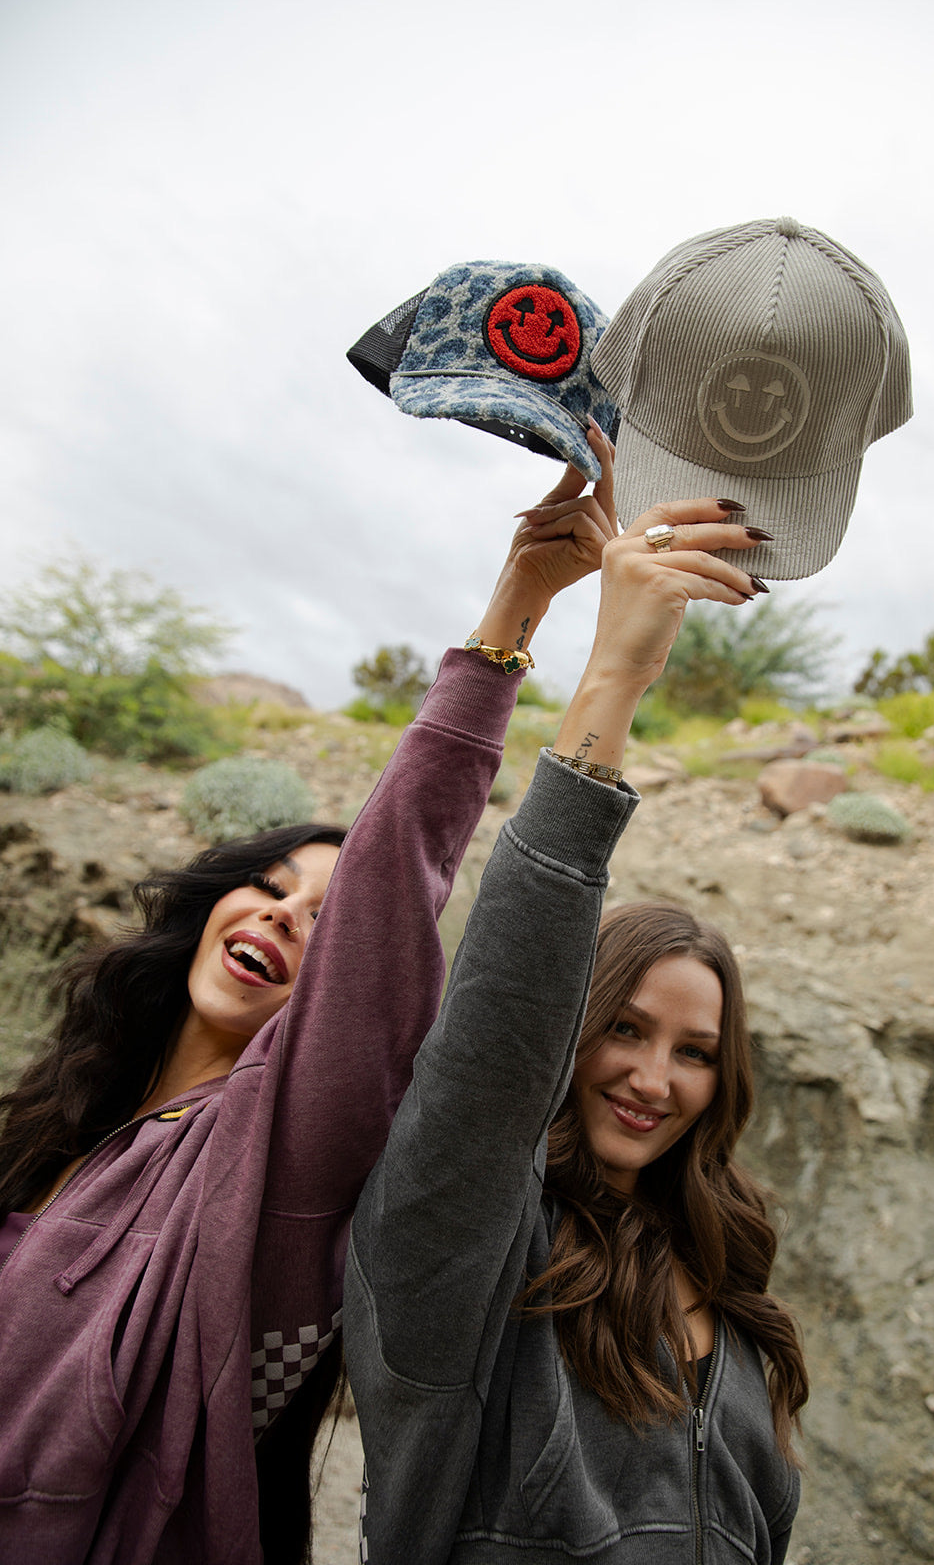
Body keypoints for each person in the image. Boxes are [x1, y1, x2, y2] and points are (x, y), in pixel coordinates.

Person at [0, 422, 620, 1565]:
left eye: (323, 922)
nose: (285, 914)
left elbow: (394, 885)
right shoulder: (62, 1126)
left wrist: (513, 613)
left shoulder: (275, 1168)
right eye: (269, 885)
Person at [346, 499, 805, 1564]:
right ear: (570, 1029)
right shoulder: (473, 1248)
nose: (654, 1077)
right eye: (625, 1030)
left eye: (694, 1053)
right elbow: (492, 1045)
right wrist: (613, 677)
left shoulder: (728, 1287)